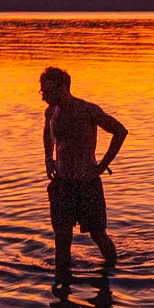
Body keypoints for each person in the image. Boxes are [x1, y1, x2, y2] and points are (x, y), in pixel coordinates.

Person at [40, 66, 128, 286]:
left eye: (47, 92)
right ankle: (62, 293)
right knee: (62, 240)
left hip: (87, 183)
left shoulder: (87, 110)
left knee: (98, 235)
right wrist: (48, 158)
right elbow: (47, 132)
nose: (44, 98)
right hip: (62, 184)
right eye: (42, 92)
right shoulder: (51, 112)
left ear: (63, 87)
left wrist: (104, 164)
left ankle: (113, 275)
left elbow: (120, 131)